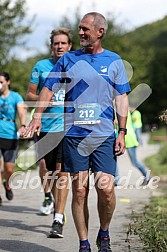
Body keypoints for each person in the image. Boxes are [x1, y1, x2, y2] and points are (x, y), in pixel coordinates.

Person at [23, 12, 130, 252]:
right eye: (79, 29)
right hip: (74, 135)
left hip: (103, 135)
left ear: (100, 32)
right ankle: (84, 244)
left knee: (106, 188)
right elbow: (48, 88)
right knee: (80, 190)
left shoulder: (114, 61)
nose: (80, 33)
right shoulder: (68, 60)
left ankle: (104, 233)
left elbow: (121, 97)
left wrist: (122, 131)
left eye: (85, 29)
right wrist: (37, 115)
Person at [26, 28, 72, 238]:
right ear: (51, 46)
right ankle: (53, 201)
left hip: (66, 126)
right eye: (56, 43)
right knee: (49, 170)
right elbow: (31, 94)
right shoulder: (40, 67)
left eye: (63, 43)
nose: (59, 46)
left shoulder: (75, 67)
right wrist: (44, 100)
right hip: (44, 125)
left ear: (70, 46)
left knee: (62, 172)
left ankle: (58, 218)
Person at [0, 72, 26, 204]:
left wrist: (23, 125)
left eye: (1, 82)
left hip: (10, 135)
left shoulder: (16, 97)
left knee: (9, 169)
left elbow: (22, 112)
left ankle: (7, 184)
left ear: (7, 82)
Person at [115, 111, 150, 186]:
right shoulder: (117, 110)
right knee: (114, 160)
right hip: (121, 139)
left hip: (129, 139)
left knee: (135, 162)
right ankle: (116, 180)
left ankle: (147, 176)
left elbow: (117, 122)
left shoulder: (123, 110)